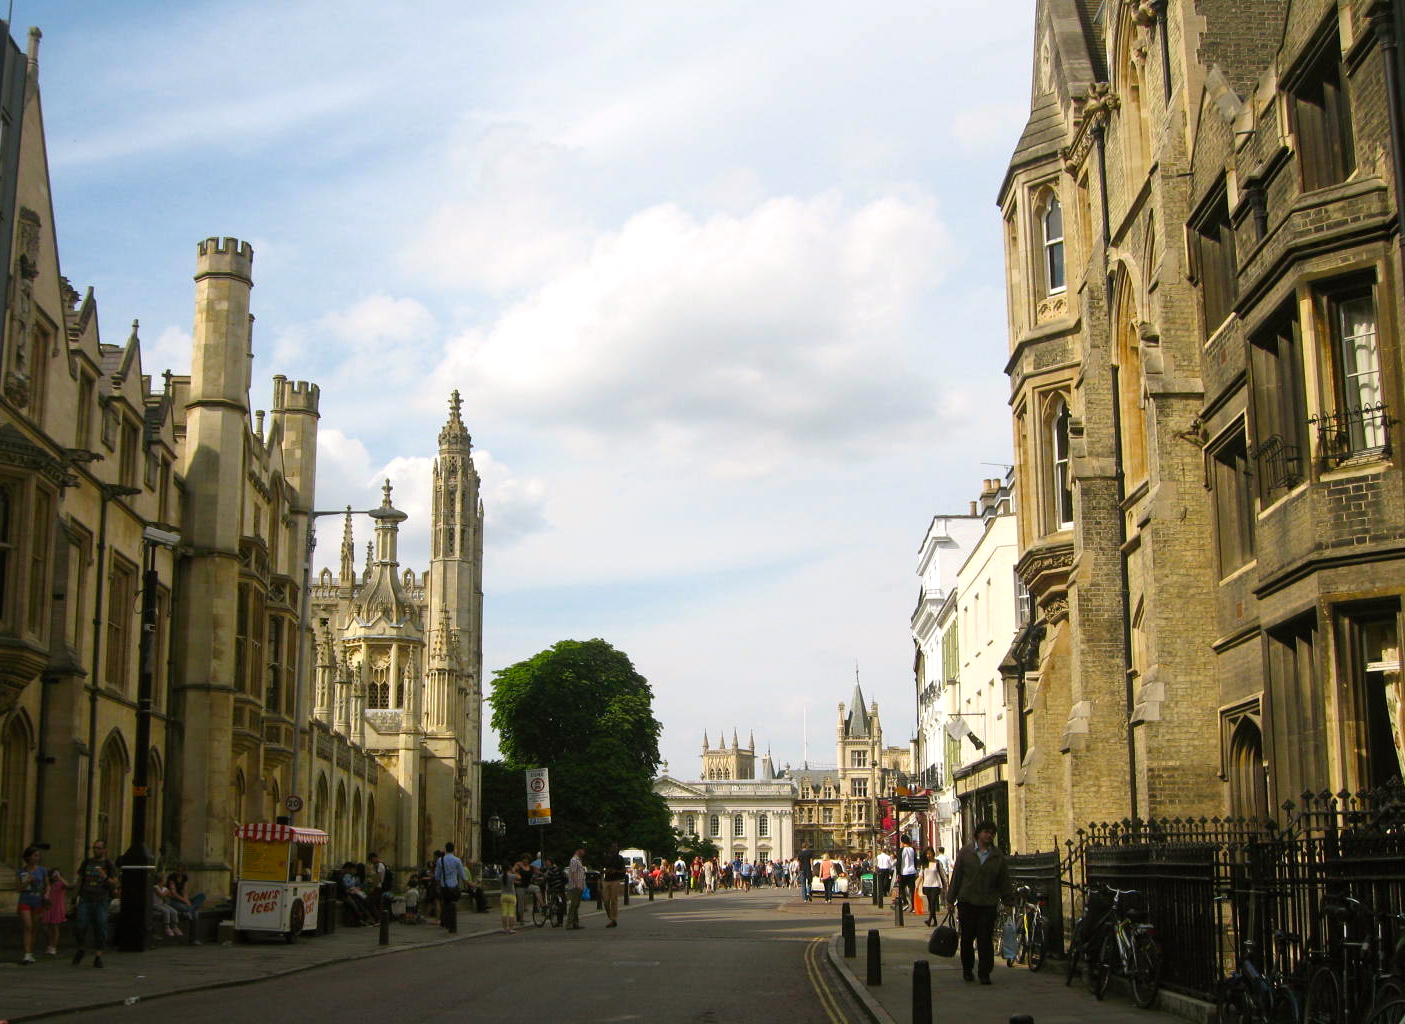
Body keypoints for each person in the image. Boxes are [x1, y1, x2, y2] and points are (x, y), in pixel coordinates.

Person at [946, 820, 1014, 985]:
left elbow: (1004, 880)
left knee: (985, 939)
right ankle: (967, 969)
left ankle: (984, 972)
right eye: (986, 832)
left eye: (992, 833)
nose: (989, 835)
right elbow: (957, 877)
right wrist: (950, 899)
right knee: (967, 938)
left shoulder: (997, 856)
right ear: (978, 834)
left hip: (988, 903)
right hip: (967, 902)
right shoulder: (966, 853)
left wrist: (1008, 901)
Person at [72, 838, 118, 968]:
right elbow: (80, 880)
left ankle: (98, 956)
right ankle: (81, 948)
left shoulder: (109, 864)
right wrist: (74, 898)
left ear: (105, 850)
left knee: (100, 927)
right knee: (80, 926)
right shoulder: (87, 862)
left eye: (98, 848)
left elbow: (115, 883)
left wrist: (104, 876)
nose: (96, 850)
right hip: (86, 898)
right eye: (94, 848)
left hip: (101, 899)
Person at [17, 846, 48, 964]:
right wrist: (27, 881)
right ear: (28, 857)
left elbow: (47, 885)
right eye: (35, 855)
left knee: (34, 928)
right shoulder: (21, 872)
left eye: (38, 855)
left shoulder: (42, 870)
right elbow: (18, 888)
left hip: (37, 900)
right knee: (27, 926)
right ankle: (26, 954)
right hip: (25, 900)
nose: (37, 858)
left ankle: (30, 952)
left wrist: (47, 894)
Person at [436, 842, 465, 934]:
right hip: (453, 886)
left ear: (446, 849)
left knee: (445, 903)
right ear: (453, 849)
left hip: (444, 886)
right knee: (452, 905)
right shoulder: (457, 860)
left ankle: (445, 922)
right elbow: (462, 875)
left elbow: (437, 876)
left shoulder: (440, 860)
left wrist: (439, 883)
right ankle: (452, 926)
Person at [43, 866, 69, 955]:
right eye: (54, 873)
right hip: (48, 907)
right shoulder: (48, 884)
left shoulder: (61, 883)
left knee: (54, 927)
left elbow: (67, 885)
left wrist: (59, 877)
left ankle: (53, 947)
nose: (55, 875)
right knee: (45, 927)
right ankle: (49, 944)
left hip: (57, 907)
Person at [920, 845, 948, 926]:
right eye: (927, 854)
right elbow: (921, 875)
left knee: (933, 902)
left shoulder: (937, 863)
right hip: (927, 885)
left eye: (929, 853)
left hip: (936, 885)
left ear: (933, 853)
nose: (928, 855)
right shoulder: (925, 864)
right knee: (931, 904)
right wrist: (917, 886)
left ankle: (929, 920)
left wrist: (946, 883)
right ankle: (935, 921)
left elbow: (942, 873)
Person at [601, 843, 626, 928]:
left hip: (615, 880)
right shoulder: (605, 858)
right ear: (610, 848)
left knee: (613, 900)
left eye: (616, 847)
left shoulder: (619, 858)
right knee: (605, 900)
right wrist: (605, 871)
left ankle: (613, 919)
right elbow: (601, 868)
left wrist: (616, 871)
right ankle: (610, 916)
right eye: (613, 847)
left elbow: (623, 870)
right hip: (606, 880)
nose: (615, 849)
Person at [566, 847, 587, 929]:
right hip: (575, 886)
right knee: (573, 905)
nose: (584, 852)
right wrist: (577, 884)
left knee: (576, 905)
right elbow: (574, 873)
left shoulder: (578, 860)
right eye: (583, 850)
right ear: (578, 850)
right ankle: (569, 923)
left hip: (579, 885)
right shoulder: (574, 860)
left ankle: (575, 923)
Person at [897, 835, 919, 911]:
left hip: (903, 872)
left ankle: (905, 902)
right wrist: (915, 869)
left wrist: (898, 873)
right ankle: (913, 906)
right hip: (912, 871)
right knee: (912, 890)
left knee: (901, 888)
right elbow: (915, 861)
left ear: (902, 842)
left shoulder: (901, 850)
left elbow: (899, 862)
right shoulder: (912, 849)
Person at [500, 860, 520, 934]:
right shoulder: (512, 876)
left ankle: (504, 928)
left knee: (504, 913)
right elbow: (519, 877)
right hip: (512, 895)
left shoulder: (500, 876)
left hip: (503, 895)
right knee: (511, 913)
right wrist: (513, 870)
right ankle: (511, 928)